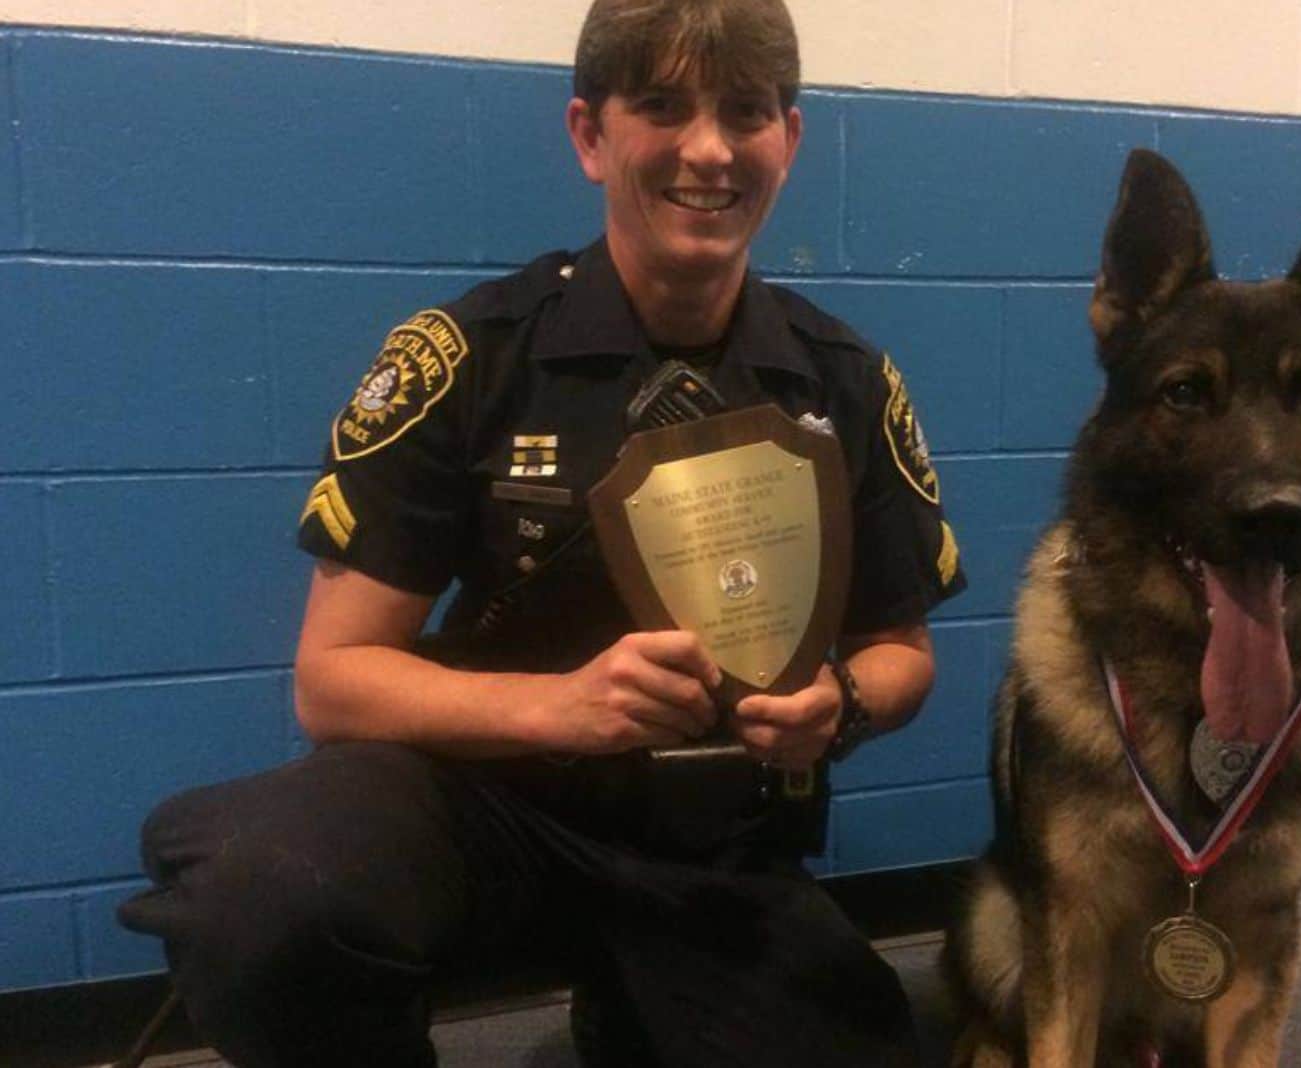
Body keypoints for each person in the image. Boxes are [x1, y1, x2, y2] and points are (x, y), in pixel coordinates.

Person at [117, 1, 965, 1064]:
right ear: (589, 135)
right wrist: (561, 708)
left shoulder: (845, 382)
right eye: (662, 106)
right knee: (264, 896)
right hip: (488, 812)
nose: (708, 148)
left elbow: (903, 655)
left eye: (746, 113)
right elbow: (330, 683)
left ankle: (632, 1009)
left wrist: (838, 705)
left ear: (788, 143)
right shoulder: (466, 358)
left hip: (711, 848)